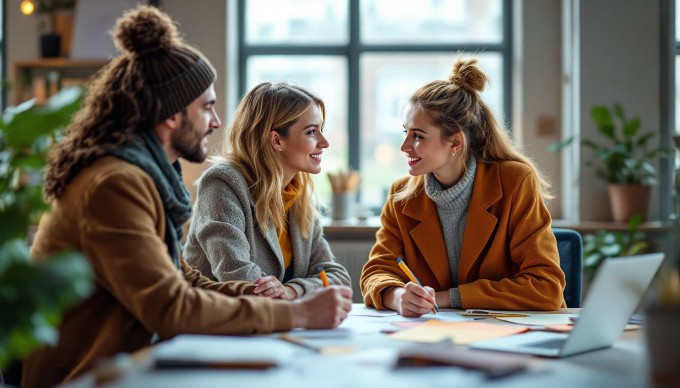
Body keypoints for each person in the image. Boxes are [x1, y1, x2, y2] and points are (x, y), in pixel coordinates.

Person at [23, 6, 351, 387]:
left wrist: (274, 298)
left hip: (129, 363)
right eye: (207, 107)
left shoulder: (143, 177)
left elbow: (184, 280)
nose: (215, 121)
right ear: (172, 115)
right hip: (83, 375)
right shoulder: (114, 184)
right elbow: (170, 307)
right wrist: (294, 314)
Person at [360, 58, 565, 317]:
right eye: (405, 133)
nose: (404, 147)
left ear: (455, 143)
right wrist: (398, 296)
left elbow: (546, 287)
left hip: (509, 336)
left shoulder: (514, 181)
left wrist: (449, 298)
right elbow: (376, 272)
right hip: (434, 336)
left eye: (418, 136)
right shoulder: (402, 196)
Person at [184, 82, 351, 300]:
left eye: (322, 130)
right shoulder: (222, 183)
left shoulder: (297, 195)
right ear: (276, 140)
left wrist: (292, 290)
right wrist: (298, 299)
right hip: (216, 325)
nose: (325, 142)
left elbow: (336, 276)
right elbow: (237, 276)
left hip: (271, 323)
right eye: (311, 132)